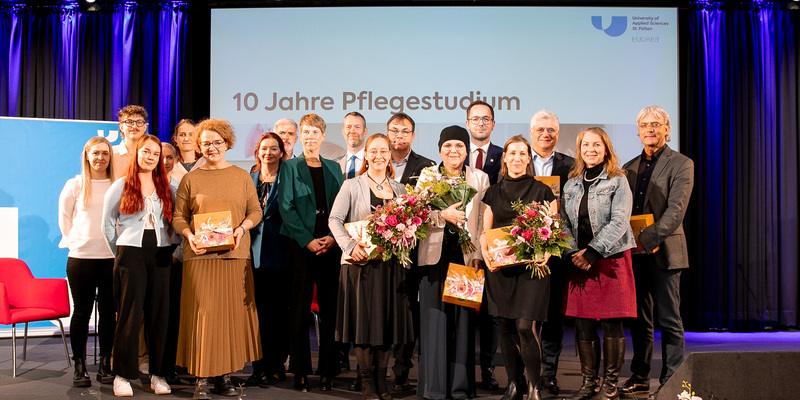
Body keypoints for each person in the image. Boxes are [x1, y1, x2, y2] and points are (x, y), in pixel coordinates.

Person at [172, 119, 263, 399]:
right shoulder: (190, 179)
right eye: (205, 143)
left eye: (217, 142)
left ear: (227, 143)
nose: (211, 148)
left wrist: (242, 229)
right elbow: (178, 217)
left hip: (234, 257)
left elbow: (255, 211)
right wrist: (188, 235)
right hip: (200, 258)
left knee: (229, 319)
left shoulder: (241, 176)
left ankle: (224, 377)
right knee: (203, 318)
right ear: (199, 147)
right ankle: (201, 377)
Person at [330, 133, 415, 400]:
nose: (378, 156)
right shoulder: (351, 185)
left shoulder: (400, 190)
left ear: (390, 155)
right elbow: (334, 219)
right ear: (366, 155)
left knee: (385, 327)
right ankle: (367, 383)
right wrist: (349, 246)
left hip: (390, 269)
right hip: (360, 267)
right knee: (364, 327)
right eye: (373, 151)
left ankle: (381, 381)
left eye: (383, 151)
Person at [621, 106, 694, 400]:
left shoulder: (682, 163)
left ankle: (672, 381)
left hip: (665, 252)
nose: (649, 130)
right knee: (639, 321)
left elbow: (676, 211)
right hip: (635, 254)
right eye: (644, 125)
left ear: (667, 129)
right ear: (638, 131)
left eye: (655, 124)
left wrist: (645, 239)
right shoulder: (628, 167)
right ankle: (640, 377)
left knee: (669, 320)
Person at [561, 127, 637, 400]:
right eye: (585, 145)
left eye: (596, 145)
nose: (590, 150)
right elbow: (563, 223)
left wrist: (592, 253)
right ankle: (588, 383)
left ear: (606, 149)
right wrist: (573, 253)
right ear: (579, 150)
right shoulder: (570, 184)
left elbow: (620, 221)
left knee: (612, 324)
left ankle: (610, 385)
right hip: (579, 262)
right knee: (583, 324)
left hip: (609, 260)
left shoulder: (618, 180)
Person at [478, 135, 556, 400]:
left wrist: (547, 251)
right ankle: (514, 383)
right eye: (512, 153)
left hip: (532, 270)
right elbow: (485, 232)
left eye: (523, 154)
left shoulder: (543, 191)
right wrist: (486, 253)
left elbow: (554, 230)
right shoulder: (493, 192)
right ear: (504, 157)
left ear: (529, 159)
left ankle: (535, 385)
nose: (517, 159)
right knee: (505, 326)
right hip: (501, 271)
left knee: (524, 326)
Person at [416, 126, 489, 400]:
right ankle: (434, 388)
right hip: (433, 259)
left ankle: (460, 388)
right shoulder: (427, 176)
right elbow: (416, 214)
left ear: (467, 151)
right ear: (440, 150)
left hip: (466, 259)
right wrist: (442, 216)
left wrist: (479, 254)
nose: (453, 151)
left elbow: (481, 220)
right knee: (434, 322)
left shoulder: (479, 178)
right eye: (447, 146)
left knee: (463, 324)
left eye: (459, 146)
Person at [101, 134, 174, 397]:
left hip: (161, 253)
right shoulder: (120, 185)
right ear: (137, 153)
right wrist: (121, 253)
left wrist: (173, 248)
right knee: (129, 316)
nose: (151, 157)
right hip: (130, 252)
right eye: (146, 152)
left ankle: (158, 374)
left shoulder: (168, 187)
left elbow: (175, 222)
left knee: (159, 315)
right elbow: (107, 225)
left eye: (155, 154)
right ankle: (122, 375)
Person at [278, 113, 344, 392]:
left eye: (315, 132)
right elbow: (286, 207)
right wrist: (308, 240)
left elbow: (342, 208)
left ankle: (328, 370)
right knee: (299, 309)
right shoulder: (290, 167)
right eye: (305, 132)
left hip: (330, 246)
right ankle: (300, 371)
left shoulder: (334, 168)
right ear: (300, 136)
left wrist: (332, 238)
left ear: (323, 136)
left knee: (330, 310)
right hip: (300, 246)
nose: (310, 136)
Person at [58, 137, 116, 388]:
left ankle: (105, 363)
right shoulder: (75, 185)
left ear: (110, 157)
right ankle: (79, 365)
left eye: (105, 153)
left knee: (108, 314)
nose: (100, 158)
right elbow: (65, 219)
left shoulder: (117, 184)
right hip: (81, 259)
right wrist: (76, 242)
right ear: (87, 156)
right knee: (81, 312)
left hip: (111, 259)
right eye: (96, 153)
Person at [385, 112, 435, 392]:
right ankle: (373, 369)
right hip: (381, 254)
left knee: (408, 313)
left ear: (413, 136)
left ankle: (401, 371)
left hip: (414, 253)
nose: (399, 136)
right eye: (394, 130)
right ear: (387, 133)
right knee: (381, 310)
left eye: (405, 131)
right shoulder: (376, 161)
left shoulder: (427, 167)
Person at [528, 109, 575, 396]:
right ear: (531, 132)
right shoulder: (516, 160)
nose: (545, 134)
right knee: (524, 318)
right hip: (522, 251)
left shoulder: (571, 166)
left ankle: (548, 374)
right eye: (540, 129)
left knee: (553, 317)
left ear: (558, 134)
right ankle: (526, 373)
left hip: (556, 251)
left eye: (551, 130)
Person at [246, 132, 291, 386]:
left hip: (280, 252)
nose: (268, 153)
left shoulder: (289, 179)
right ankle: (258, 366)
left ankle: (276, 365)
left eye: (274, 148)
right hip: (251, 254)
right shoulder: (248, 179)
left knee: (278, 313)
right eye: (264, 148)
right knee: (256, 314)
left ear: (281, 153)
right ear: (257, 152)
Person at [464, 100, 503, 390]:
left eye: (485, 119)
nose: (480, 123)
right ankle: (463, 370)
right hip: (465, 249)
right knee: (464, 310)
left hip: (494, 246)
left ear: (492, 124)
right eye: (475, 118)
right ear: (467, 123)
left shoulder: (506, 156)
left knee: (492, 314)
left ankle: (488, 368)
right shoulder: (455, 154)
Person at [112, 105, 148, 179]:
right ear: (121, 127)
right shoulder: (111, 153)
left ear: (145, 127)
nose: (134, 126)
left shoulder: (151, 155)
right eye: (129, 122)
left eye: (139, 122)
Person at [170, 119, 205, 183]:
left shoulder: (206, 164)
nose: (186, 139)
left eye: (191, 135)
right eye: (182, 135)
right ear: (175, 139)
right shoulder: (170, 167)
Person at [339, 111, 369, 179]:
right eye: (348, 127)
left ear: (365, 131)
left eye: (357, 127)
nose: (352, 131)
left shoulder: (374, 163)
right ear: (343, 131)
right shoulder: (335, 165)